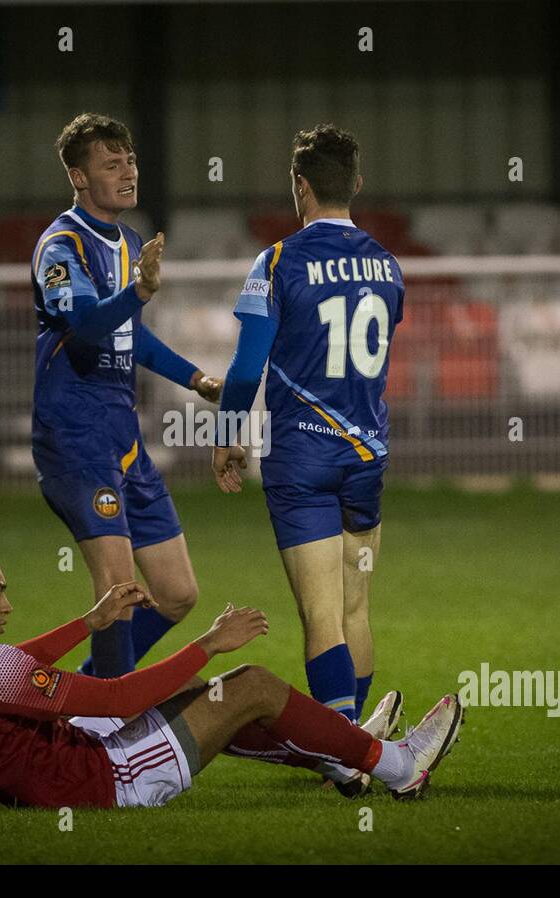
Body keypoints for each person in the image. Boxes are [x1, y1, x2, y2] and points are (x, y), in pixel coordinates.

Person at [0, 542, 463, 809]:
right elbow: (116, 698)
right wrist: (207, 643)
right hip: (104, 780)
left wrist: (88, 624)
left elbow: (1, 673)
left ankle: (340, 756)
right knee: (251, 685)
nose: (7, 606)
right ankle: (398, 767)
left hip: (45, 770)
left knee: (200, 696)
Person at [211, 125, 403, 773]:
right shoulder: (387, 264)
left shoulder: (276, 262)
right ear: (357, 181)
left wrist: (226, 435)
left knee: (320, 616)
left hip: (302, 460)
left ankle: (344, 754)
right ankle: (352, 737)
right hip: (365, 458)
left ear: (300, 186)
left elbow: (243, 372)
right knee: (355, 607)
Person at [30, 112, 223, 679]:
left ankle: (93, 690)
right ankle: (106, 728)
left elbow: (126, 333)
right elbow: (85, 326)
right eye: (110, 163)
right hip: (74, 434)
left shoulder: (130, 241)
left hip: (123, 435)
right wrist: (138, 290)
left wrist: (195, 379)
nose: (127, 171)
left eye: (130, 160)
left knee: (177, 592)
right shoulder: (60, 245)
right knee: (118, 588)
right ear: (78, 177)